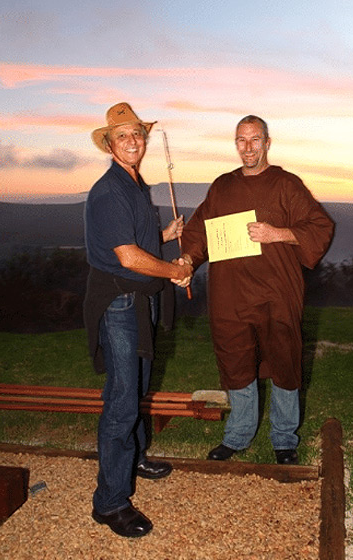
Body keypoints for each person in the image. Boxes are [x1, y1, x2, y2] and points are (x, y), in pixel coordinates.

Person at [181, 115, 334, 465]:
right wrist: (188, 259)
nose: (247, 147)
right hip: (230, 293)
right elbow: (199, 232)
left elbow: (320, 226)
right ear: (235, 143)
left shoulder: (287, 184)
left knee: (284, 361)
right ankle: (237, 436)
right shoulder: (222, 186)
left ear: (267, 142)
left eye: (254, 139)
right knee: (236, 362)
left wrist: (277, 233)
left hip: (276, 291)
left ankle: (284, 439)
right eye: (241, 140)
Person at [83, 102, 192, 538]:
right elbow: (127, 257)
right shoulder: (109, 191)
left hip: (139, 302)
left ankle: (134, 458)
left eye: (137, 134)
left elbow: (136, 239)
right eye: (122, 136)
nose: (132, 141)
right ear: (110, 144)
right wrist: (174, 271)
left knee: (139, 388)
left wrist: (164, 236)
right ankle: (109, 502)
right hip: (119, 304)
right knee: (122, 401)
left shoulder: (135, 184)